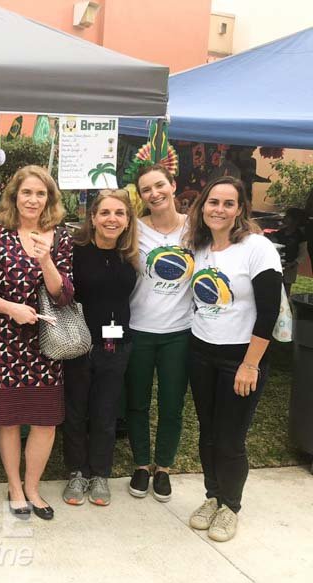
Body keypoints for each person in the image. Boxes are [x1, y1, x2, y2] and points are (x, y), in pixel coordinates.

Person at [0, 165, 73, 520]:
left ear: (49, 199)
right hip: (3, 341)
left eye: (40, 193)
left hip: (46, 342)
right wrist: (12, 309)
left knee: (45, 420)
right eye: (26, 192)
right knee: (10, 419)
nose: (32, 199)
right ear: (15, 196)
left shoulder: (59, 238)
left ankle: (33, 487)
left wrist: (46, 257)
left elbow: (62, 294)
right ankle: (14, 486)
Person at [184, 176, 281, 542]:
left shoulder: (257, 248)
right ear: (203, 207)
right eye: (213, 202)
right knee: (208, 434)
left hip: (241, 357)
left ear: (240, 209)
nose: (219, 209)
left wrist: (250, 363)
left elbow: (268, 311)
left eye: (228, 203)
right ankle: (213, 495)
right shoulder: (201, 247)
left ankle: (231, 507)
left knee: (230, 438)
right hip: (201, 352)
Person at [62, 189, 139, 506]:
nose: (112, 219)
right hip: (79, 343)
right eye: (105, 212)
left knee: (105, 413)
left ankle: (100, 474)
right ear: (92, 218)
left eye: (119, 213)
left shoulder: (129, 254)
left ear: (127, 220)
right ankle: (77, 473)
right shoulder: (74, 251)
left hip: (116, 344)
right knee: (76, 412)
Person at [125, 164, 194, 502]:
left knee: (171, 405)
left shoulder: (195, 229)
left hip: (179, 332)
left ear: (172, 186)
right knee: (136, 402)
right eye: (146, 190)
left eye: (159, 185)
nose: (154, 193)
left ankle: (163, 467)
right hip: (139, 328)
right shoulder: (134, 230)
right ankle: (140, 465)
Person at [266, 207, 306, 296]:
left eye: (288, 216)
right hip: (276, 266)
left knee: (285, 291)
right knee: (272, 289)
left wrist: (294, 263)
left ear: (295, 220)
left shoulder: (300, 236)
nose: (284, 218)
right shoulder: (280, 232)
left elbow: (303, 253)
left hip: (290, 268)